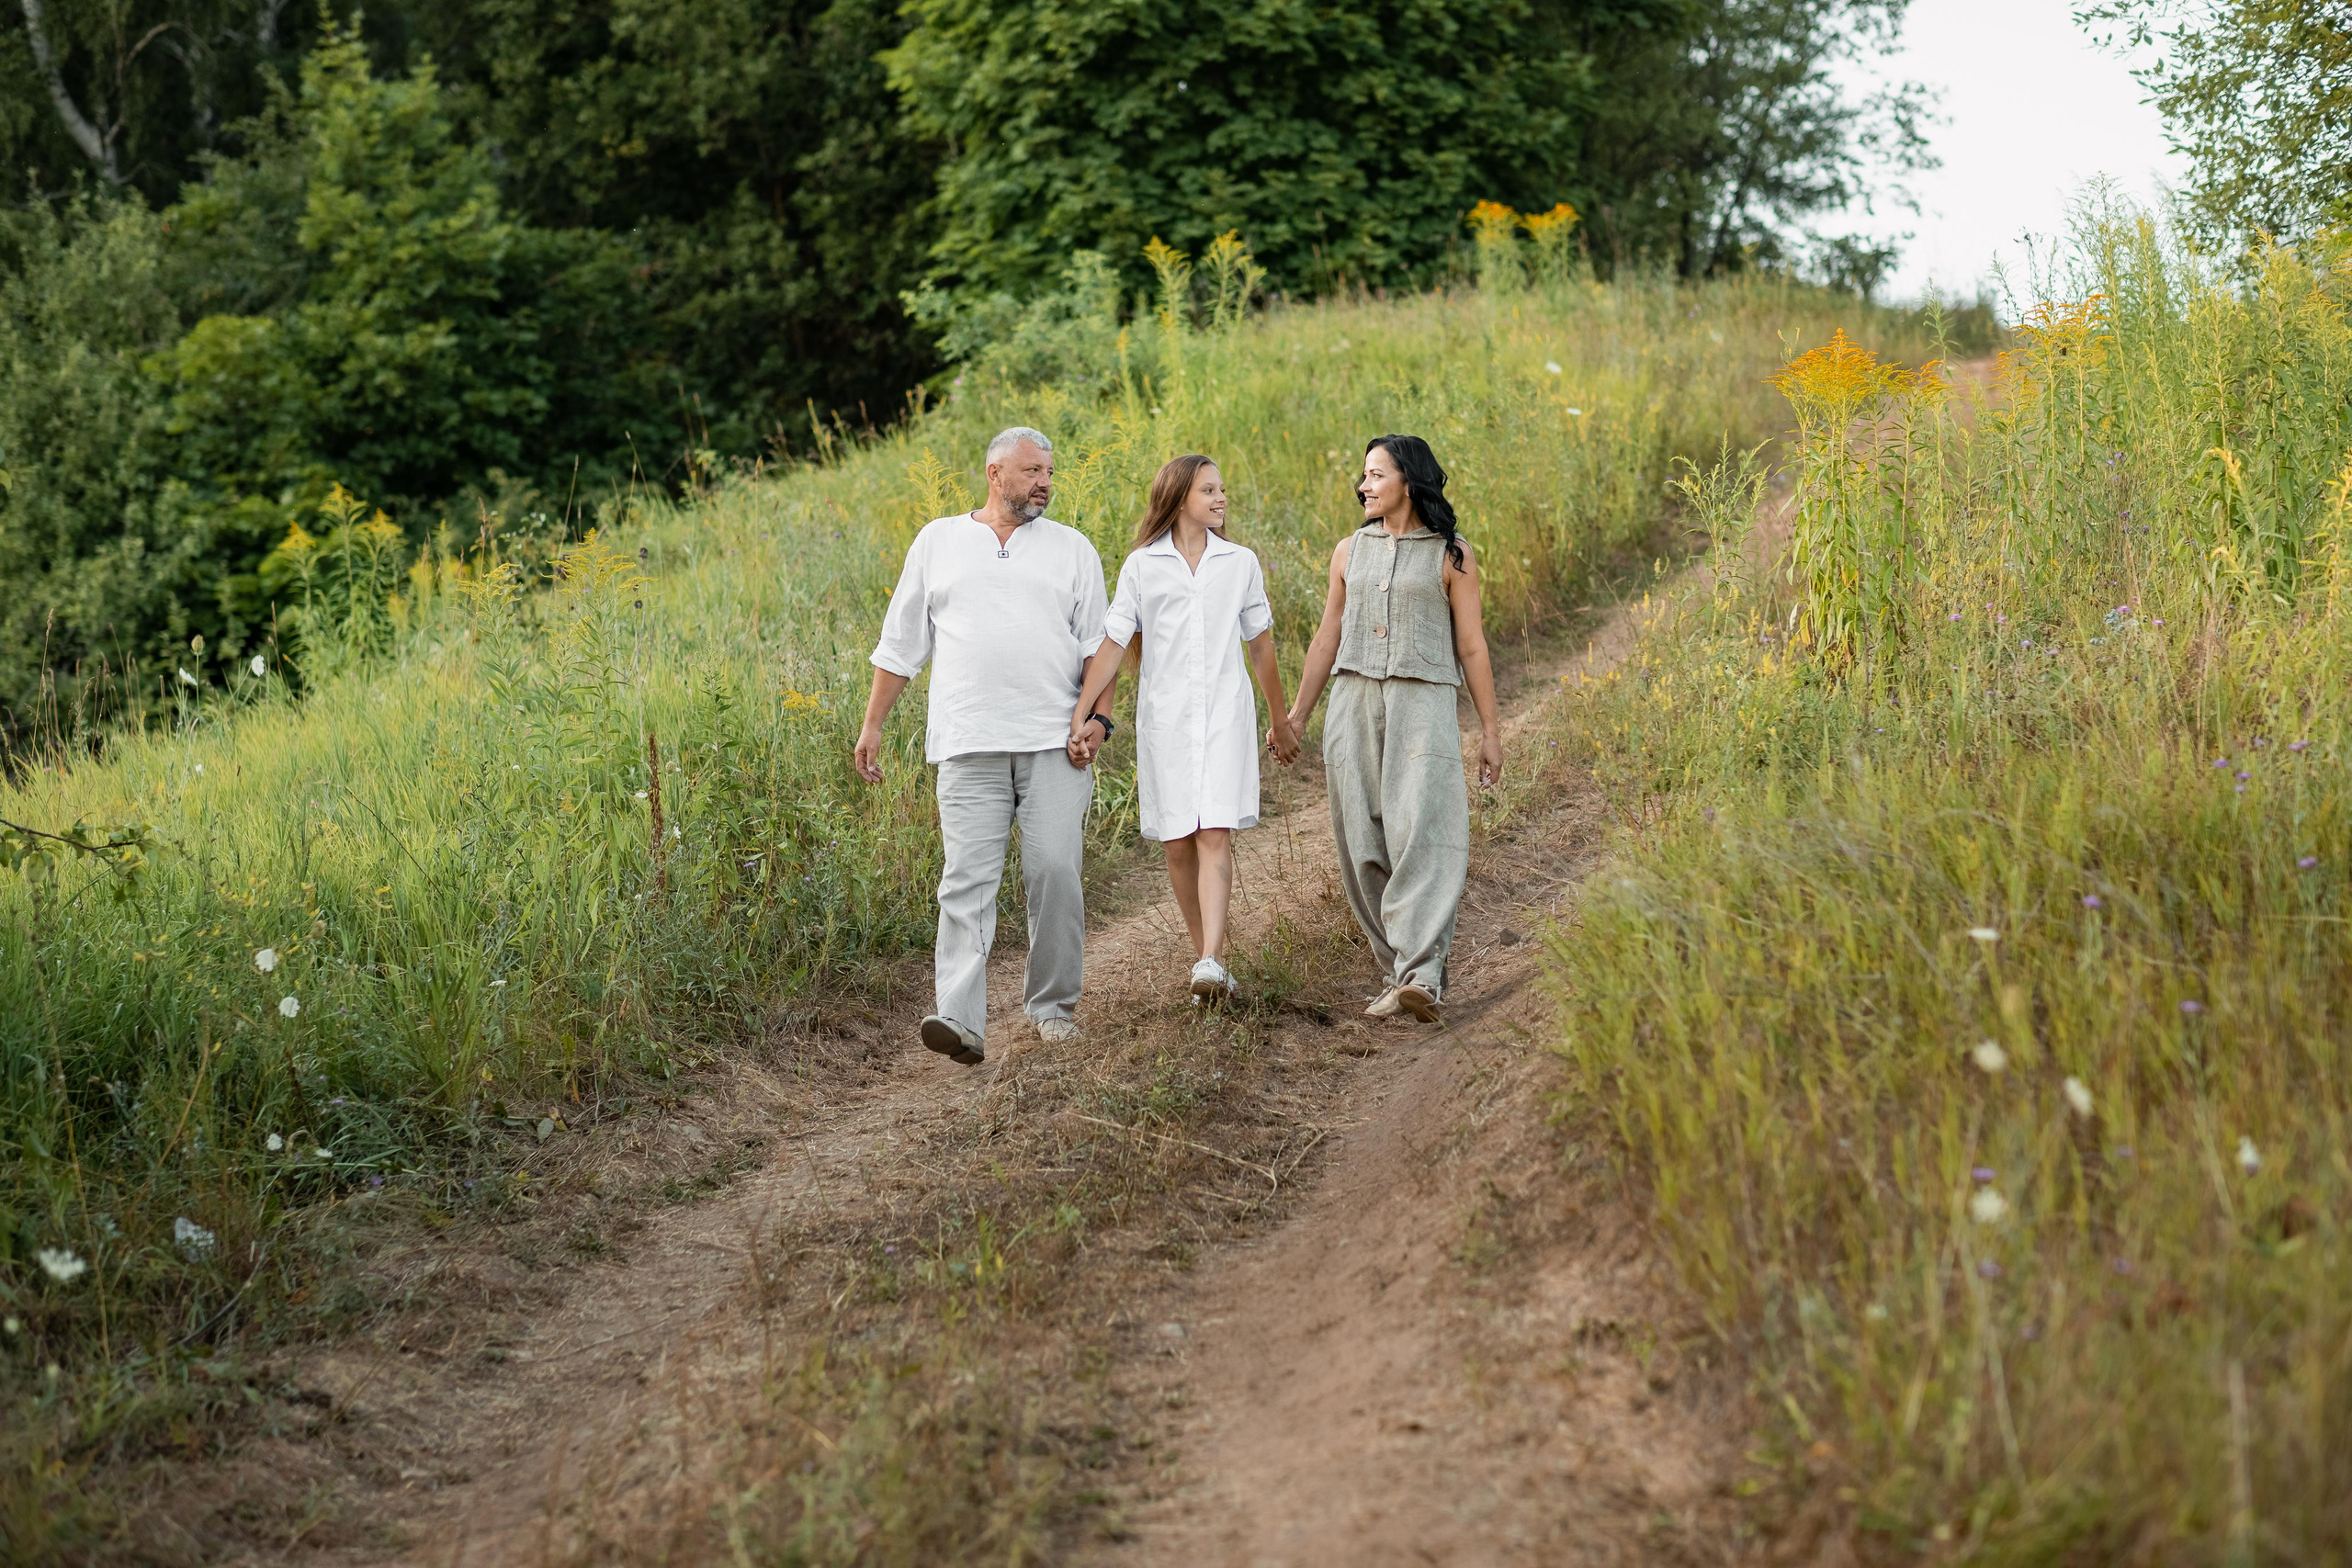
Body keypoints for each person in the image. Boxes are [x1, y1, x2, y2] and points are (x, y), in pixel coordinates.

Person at [854, 426, 1111, 1066]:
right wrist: (873, 723)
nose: (1044, 482)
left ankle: (1052, 1011)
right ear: (995, 473)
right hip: (968, 742)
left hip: (1054, 743)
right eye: (1031, 471)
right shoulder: (938, 541)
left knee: (1055, 873)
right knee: (965, 881)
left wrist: (1098, 722)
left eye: (1049, 471)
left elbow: (1099, 652)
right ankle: (960, 1018)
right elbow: (901, 643)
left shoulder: (1073, 549)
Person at [1284, 434, 1502, 1021]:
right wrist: (1298, 716)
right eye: (1364, 475)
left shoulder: (1452, 555)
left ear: (1409, 480)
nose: (1364, 486)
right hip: (1353, 701)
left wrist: (1490, 731)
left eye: (1376, 475)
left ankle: (1423, 974)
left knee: (1422, 832)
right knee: (1362, 840)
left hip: (1423, 701)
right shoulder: (1348, 551)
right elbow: (1327, 637)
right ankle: (1399, 970)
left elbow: (1472, 647)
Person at [1069, 456, 1301, 1003]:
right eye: (1209, 490)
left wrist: (1280, 719)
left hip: (1224, 713)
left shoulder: (1240, 563)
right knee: (1177, 843)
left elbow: (1261, 645)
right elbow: (1113, 644)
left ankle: (1211, 960)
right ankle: (1209, 966)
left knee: (1213, 832)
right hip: (1166, 719)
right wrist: (1082, 712)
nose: (1222, 499)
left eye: (1222, 489)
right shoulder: (1142, 566)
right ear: (1177, 499)